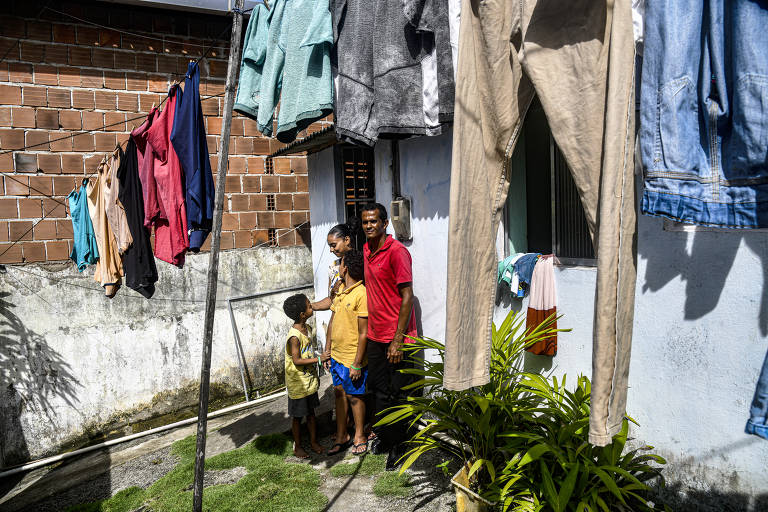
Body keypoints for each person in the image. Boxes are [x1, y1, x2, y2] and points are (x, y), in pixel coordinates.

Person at [361, 202, 418, 471]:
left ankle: (400, 445)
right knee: (380, 392)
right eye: (365, 222)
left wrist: (397, 340)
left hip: (397, 338)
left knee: (398, 394)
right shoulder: (366, 250)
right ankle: (387, 437)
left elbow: (407, 296)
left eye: (373, 221)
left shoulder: (397, 252)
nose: (369, 226)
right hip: (375, 336)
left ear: (385, 223)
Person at [323, 250, 369, 456]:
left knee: (355, 397)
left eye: (340, 264)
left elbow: (363, 333)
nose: (338, 267)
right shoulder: (340, 290)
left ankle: (359, 435)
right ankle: (342, 435)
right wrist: (327, 349)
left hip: (352, 358)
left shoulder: (361, 294)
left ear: (346, 268)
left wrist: (357, 363)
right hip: (336, 356)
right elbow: (332, 321)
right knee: (339, 394)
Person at [282, 293, 328, 459]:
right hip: (298, 384)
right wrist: (319, 359)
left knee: (311, 413)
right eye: (309, 306)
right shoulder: (294, 336)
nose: (312, 307)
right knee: (297, 417)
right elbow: (296, 360)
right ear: (302, 314)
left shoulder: (307, 328)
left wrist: (319, 358)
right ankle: (298, 446)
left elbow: (308, 352)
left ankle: (313, 442)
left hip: (308, 381)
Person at [310, 220, 359, 312]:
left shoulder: (360, 264)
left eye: (333, 245)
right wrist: (311, 306)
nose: (331, 250)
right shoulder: (333, 267)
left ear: (347, 240)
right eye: (330, 246)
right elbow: (332, 300)